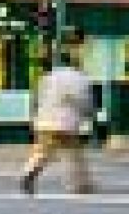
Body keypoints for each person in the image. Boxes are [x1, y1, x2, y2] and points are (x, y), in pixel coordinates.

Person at [21, 51, 95, 196]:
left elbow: (36, 99)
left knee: (41, 151)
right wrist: (89, 115)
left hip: (45, 120)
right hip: (68, 123)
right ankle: (78, 185)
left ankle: (29, 171)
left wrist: (34, 117)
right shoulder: (80, 79)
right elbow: (85, 101)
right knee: (72, 154)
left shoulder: (48, 77)